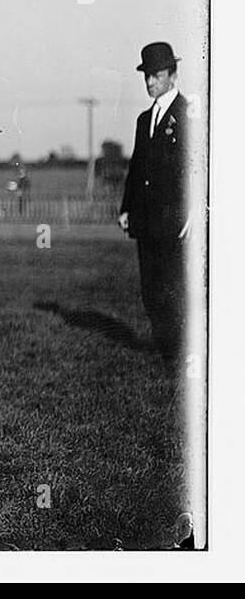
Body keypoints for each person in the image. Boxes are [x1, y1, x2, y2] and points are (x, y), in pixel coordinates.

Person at [118, 41, 190, 364]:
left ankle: (178, 353)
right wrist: (126, 208)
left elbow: (192, 169)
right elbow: (136, 168)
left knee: (172, 288)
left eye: (156, 75)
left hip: (173, 219)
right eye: (146, 76)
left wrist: (189, 215)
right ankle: (166, 350)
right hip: (146, 220)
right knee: (150, 290)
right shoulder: (143, 120)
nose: (150, 82)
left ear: (172, 75)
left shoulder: (187, 115)